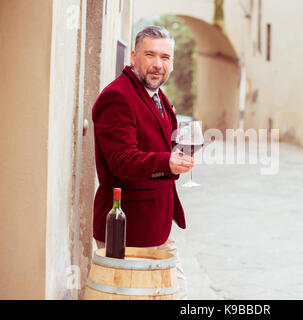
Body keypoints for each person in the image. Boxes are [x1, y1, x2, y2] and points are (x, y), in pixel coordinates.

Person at [91, 26, 194, 299]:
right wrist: (167, 163)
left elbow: (158, 142)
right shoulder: (118, 97)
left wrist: (177, 151)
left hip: (157, 226)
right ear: (134, 56)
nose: (158, 64)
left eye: (165, 57)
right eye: (150, 55)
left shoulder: (157, 95)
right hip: (128, 229)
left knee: (177, 291)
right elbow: (121, 160)